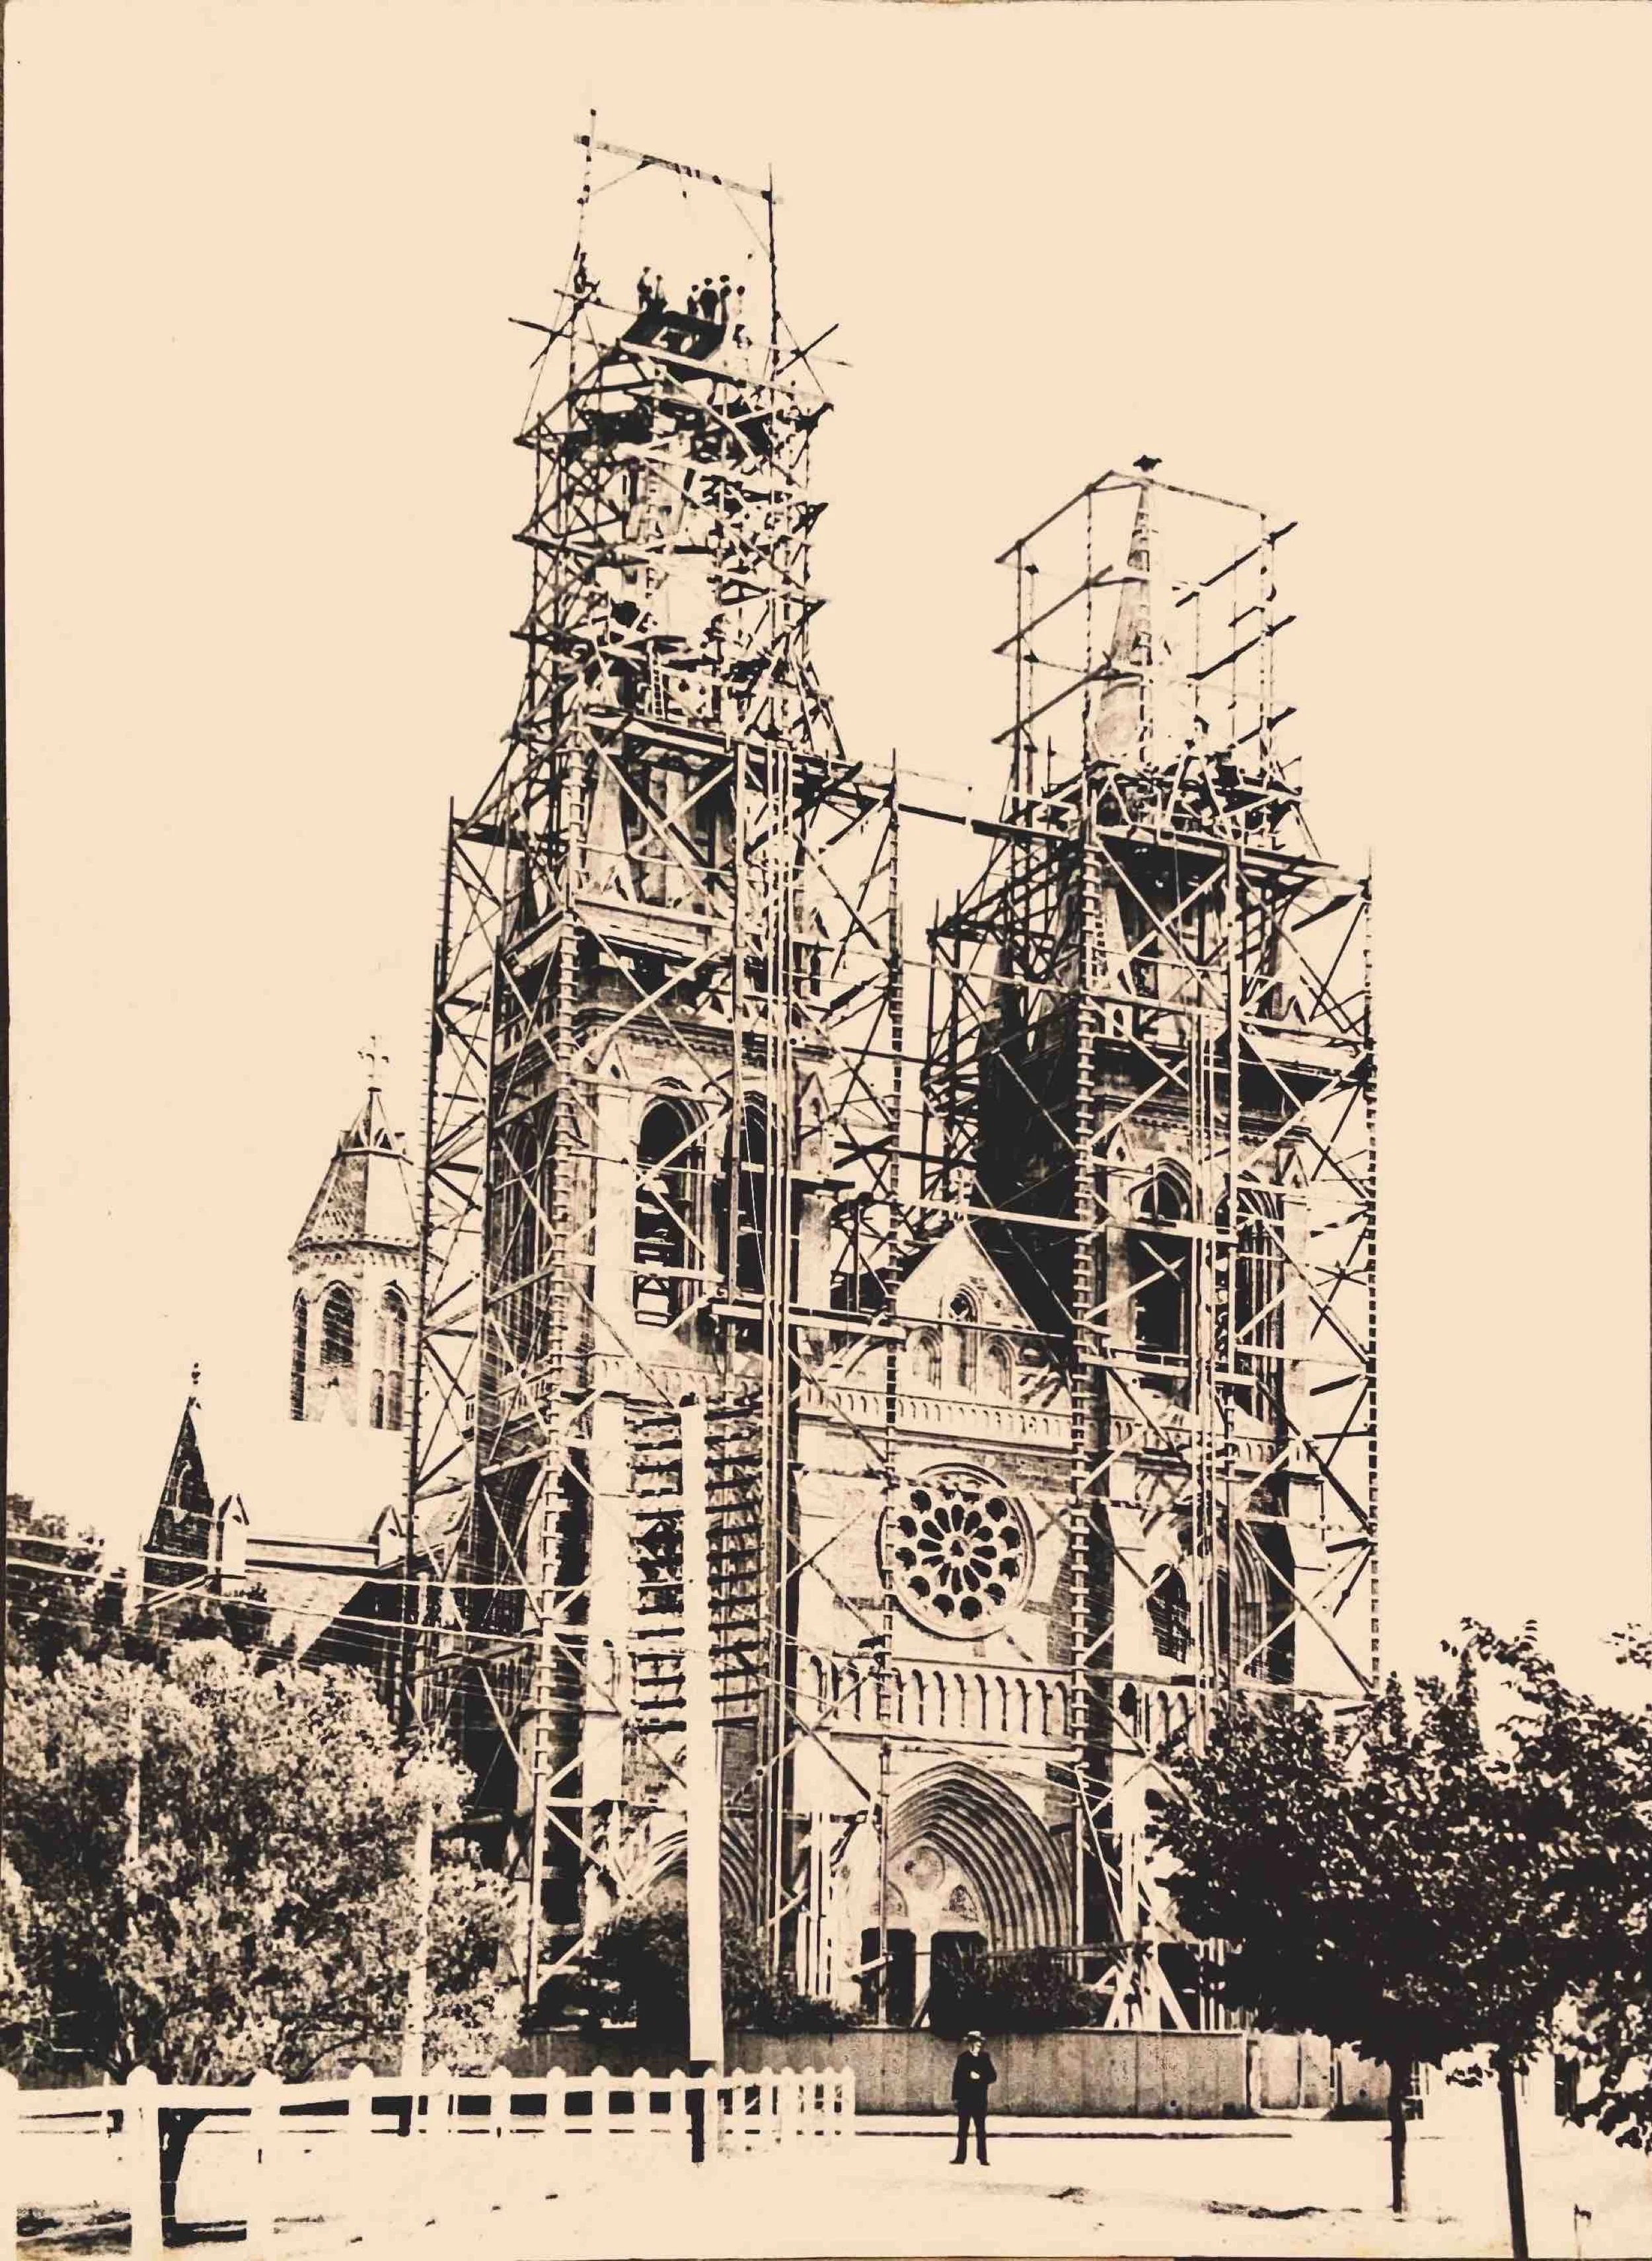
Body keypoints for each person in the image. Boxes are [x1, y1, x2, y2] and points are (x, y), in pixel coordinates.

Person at [951, 2030, 996, 2165]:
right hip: (965, 2100)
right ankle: (960, 2157)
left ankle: (982, 2158)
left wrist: (980, 2077)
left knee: (981, 2130)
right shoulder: (963, 2058)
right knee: (962, 2131)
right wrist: (956, 2098)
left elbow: (993, 2076)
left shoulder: (985, 2058)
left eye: (978, 2042)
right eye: (974, 2042)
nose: (977, 2045)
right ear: (969, 2044)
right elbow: (957, 2079)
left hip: (979, 2100)